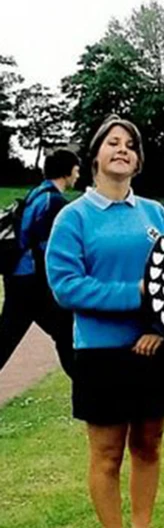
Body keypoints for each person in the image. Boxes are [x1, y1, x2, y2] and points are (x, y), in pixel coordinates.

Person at [45, 116, 164, 528]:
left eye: (130, 146)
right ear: (95, 156)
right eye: (113, 143)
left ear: (138, 160)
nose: (122, 150)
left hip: (153, 350)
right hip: (101, 353)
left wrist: (160, 327)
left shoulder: (157, 215)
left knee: (149, 447)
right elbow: (66, 286)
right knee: (107, 456)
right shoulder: (73, 217)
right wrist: (136, 293)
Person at [0, 149, 79, 377]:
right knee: (64, 331)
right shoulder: (54, 202)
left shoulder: (37, 193)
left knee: (9, 335)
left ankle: (86, 385)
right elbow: (50, 249)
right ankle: (88, 388)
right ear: (67, 171)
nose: (78, 175)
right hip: (33, 281)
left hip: (19, 275)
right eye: (76, 169)